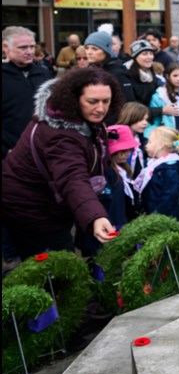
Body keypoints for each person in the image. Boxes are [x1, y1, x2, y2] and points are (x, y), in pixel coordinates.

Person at [1, 68, 120, 258]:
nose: (101, 108)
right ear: (73, 99)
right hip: (31, 207)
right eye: (92, 101)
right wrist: (95, 216)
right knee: (57, 265)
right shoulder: (59, 134)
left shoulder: (83, 118)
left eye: (106, 101)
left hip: (53, 203)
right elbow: (72, 178)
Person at [2, 26, 54, 158]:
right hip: (10, 154)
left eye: (32, 46)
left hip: (43, 150)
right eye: (23, 47)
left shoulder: (43, 73)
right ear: (5, 47)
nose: (30, 51)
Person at [134, 126, 179, 219]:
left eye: (150, 142)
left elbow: (170, 197)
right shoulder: (153, 164)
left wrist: (155, 216)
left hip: (163, 219)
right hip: (150, 215)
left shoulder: (171, 169)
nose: (146, 145)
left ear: (161, 145)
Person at [85, 29, 134, 106]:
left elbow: (127, 102)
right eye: (87, 48)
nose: (89, 52)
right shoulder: (88, 70)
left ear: (106, 51)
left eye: (94, 49)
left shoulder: (117, 72)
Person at [147, 63, 179, 135]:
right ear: (167, 76)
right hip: (166, 135)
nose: (178, 79)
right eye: (175, 76)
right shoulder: (159, 95)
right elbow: (153, 120)